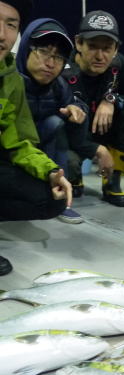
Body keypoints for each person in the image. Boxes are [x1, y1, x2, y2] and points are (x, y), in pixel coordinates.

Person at [0, 0, 72, 276]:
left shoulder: (11, 80)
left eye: (11, 25)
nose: (2, 35)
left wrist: (52, 171)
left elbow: (19, 142)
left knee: (50, 197)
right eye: (43, 51)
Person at [63, 10, 124, 206]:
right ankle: (73, 176)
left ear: (116, 49)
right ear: (78, 43)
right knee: (68, 158)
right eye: (92, 46)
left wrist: (111, 99)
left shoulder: (119, 64)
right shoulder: (62, 69)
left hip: (104, 130)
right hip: (72, 136)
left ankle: (111, 182)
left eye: (107, 48)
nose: (100, 55)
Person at [16, 18, 88, 224]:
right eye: (43, 52)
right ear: (26, 48)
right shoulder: (10, 80)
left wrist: (78, 110)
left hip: (37, 155)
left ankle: (61, 196)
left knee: (56, 123)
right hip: (10, 151)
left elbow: (75, 103)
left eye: (58, 57)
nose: (50, 63)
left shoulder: (58, 85)